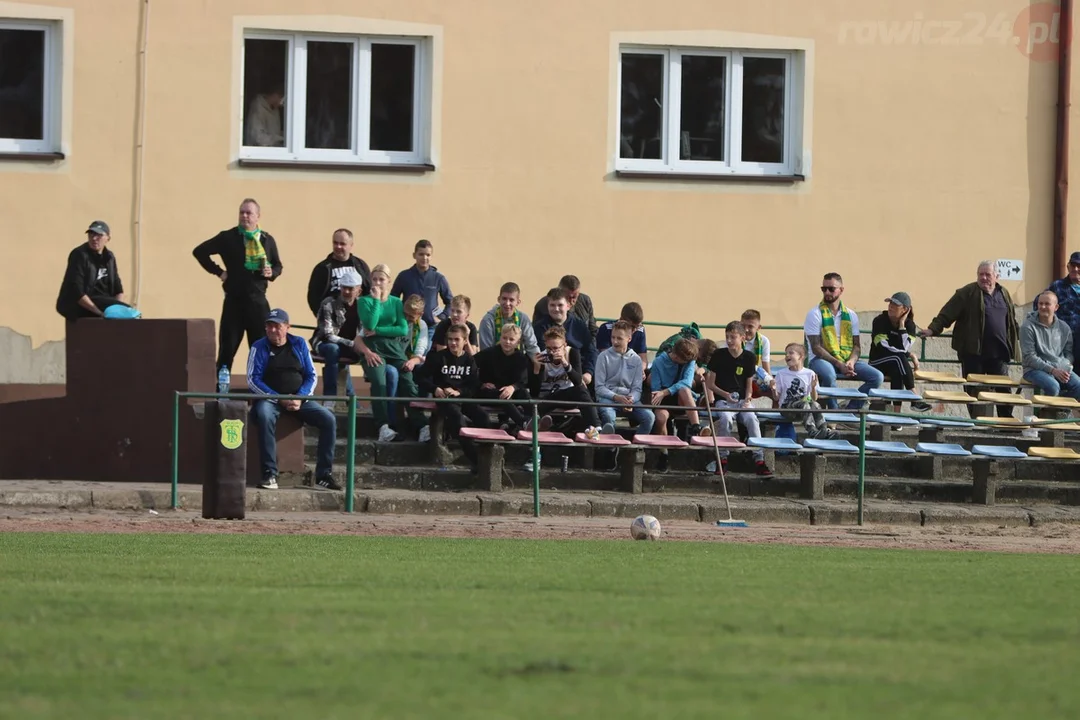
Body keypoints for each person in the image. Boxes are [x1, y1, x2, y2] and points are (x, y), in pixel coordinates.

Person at [193, 198, 283, 388]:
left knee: (260, 348)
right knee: (227, 348)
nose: (244, 216)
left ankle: (261, 389)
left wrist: (271, 273)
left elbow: (277, 265)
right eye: (241, 212)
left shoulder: (266, 239)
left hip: (258, 302)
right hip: (234, 301)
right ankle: (221, 390)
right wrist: (219, 272)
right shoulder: (228, 237)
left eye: (248, 213)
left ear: (258, 216)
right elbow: (199, 251)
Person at [247, 309, 340, 491]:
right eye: (269, 326)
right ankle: (269, 474)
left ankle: (323, 475)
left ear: (287, 327)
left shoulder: (299, 343)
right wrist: (278, 398)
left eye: (277, 326)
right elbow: (253, 379)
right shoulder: (258, 346)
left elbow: (311, 375)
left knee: (328, 419)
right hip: (270, 400)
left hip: (300, 399)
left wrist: (300, 397)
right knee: (264, 416)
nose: (273, 330)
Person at [922, 261, 1021, 418]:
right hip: (973, 352)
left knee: (1003, 390)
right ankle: (978, 423)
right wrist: (933, 329)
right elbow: (947, 313)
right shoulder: (966, 292)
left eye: (987, 274)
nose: (983, 277)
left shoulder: (1005, 294)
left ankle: (1006, 423)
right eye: (980, 274)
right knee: (974, 389)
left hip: (999, 353)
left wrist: (1018, 339)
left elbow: (1011, 321)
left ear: (996, 276)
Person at [357, 263, 426, 443]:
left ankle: (421, 425)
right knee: (379, 382)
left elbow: (402, 329)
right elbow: (369, 325)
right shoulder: (364, 301)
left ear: (389, 281)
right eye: (375, 279)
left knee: (407, 379)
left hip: (394, 350)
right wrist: (377, 301)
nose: (378, 282)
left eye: (382, 279)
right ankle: (383, 426)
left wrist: (378, 330)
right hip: (373, 349)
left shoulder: (396, 301)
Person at [804, 273, 883, 409]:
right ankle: (835, 413)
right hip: (819, 359)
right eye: (824, 289)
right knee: (829, 374)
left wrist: (851, 362)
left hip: (846, 358)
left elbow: (857, 346)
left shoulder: (851, 315)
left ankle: (850, 408)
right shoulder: (815, 314)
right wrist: (839, 364)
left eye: (831, 289)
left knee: (877, 377)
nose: (827, 292)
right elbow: (816, 347)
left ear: (841, 290)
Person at [705, 321, 772, 477]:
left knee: (752, 420)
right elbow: (710, 384)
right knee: (726, 419)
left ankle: (759, 460)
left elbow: (749, 384)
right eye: (727, 337)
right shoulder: (719, 355)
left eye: (733, 337)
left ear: (742, 338)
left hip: (742, 401)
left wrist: (748, 399)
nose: (729, 340)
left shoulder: (749, 357)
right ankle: (722, 459)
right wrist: (725, 395)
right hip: (724, 400)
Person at [417, 323, 487, 471]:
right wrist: (435, 389)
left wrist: (460, 392)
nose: (453, 343)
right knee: (458, 420)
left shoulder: (469, 359)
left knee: (484, 417)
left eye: (456, 339)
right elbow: (419, 377)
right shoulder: (438, 358)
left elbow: (474, 385)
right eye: (450, 339)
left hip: (463, 397)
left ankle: (487, 455)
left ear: (464, 340)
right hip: (445, 399)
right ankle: (476, 462)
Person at [311, 269, 382, 404]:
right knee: (333, 350)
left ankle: (359, 401)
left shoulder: (362, 305)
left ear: (359, 291)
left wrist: (363, 348)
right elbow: (328, 334)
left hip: (352, 344)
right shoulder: (328, 303)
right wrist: (352, 344)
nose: (346, 292)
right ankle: (330, 398)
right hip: (324, 343)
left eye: (350, 289)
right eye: (344, 288)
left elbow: (365, 330)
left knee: (372, 354)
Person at [869, 292, 933, 413]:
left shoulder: (909, 325)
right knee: (898, 359)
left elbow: (904, 347)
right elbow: (884, 346)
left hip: (895, 362)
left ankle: (896, 416)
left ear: (905, 310)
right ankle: (915, 398)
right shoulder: (879, 321)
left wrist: (902, 325)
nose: (891, 306)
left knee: (897, 370)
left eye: (895, 304)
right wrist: (909, 355)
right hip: (877, 362)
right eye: (890, 303)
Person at [531, 326, 601, 434]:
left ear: (564, 345)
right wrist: (536, 369)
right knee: (536, 404)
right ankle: (533, 424)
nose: (552, 352)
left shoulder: (572, 353)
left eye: (556, 348)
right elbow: (534, 392)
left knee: (581, 390)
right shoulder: (542, 357)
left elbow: (578, 382)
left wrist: (565, 363)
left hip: (566, 396)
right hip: (547, 398)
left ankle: (596, 428)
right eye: (549, 348)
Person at [55, 221, 129, 321]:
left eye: (99, 235)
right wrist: (100, 313)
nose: (94, 238)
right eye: (91, 234)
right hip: (80, 304)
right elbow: (77, 291)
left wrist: (117, 310)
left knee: (130, 313)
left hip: (103, 302)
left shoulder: (109, 257)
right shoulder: (80, 255)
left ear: (108, 238)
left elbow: (118, 290)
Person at [595, 321, 655, 436]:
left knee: (649, 417)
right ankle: (610, 447)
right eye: (613, 337)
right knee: (608, 414)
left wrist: (630, 400)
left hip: (629, 399)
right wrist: (617, 397)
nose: (615, 341)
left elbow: (637, 388)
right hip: (608, 397)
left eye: (619, 338)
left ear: (629, 339)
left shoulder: (636, 359)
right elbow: (599, 387)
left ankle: (637, 446)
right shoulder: (603, 357)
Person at [389, 239, 453, 341]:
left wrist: (442, 317)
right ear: (414, 255)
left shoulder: (438, 278)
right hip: (407, 326)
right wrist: (400, 317)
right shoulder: (404, 276)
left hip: (430, 327)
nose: (424, 258)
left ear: (431, 256)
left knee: (425, 354)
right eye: (421, 254)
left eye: (428, 255)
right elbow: (393, 299)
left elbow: (450, 301)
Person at [1020, 291, 1080, 399]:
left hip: (1058, 368)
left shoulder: (1064, 327)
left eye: (1047, 304)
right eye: (1040, 303)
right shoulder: (1027, 327)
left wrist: (1065, 366)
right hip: (1033, 370)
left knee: (1079, 386)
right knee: (1053, 387)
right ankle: (1048, 411)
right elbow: (1029, 357)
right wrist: (1053, 370)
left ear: (1056, 307)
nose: (1043, 307)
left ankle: (1059, 410)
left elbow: (1068, 353)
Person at [772, 342, 837, 440]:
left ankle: (823, 430)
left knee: (815, 404)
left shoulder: (809, 373)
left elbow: (814, 398)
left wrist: (813, 387)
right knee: (805, 404)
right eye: (786, 354)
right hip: (787, 409)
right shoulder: (781, 374)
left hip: (804, 409)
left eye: (791, 353)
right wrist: (773, 389)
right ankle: (812, 431)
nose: (787, 356)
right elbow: (776, 397)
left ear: (801, 357)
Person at [532, 288, 597, 385]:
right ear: (547, 306)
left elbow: (590, 350)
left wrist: (589, 372)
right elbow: (541, 353)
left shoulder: (580, 325)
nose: (556, 309)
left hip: (579, 371)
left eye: (560, 305)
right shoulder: (539, 327)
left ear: (568, 305)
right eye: (552, 305)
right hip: (551, 375)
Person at [476, 324, 532, 432]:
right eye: (504, 338)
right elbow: (471, 366)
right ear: (500, 338)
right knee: (502, 395)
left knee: (524, 393)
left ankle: (533, 419)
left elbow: (522, 381)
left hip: (508, 390)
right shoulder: (488, 353)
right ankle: (523, 422)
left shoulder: (521, 358)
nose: (507, 342)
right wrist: (481, 383)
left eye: (511, 339)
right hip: (489, 392)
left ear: (518, 342)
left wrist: (513, 387)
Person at [305, 228, 371, 316]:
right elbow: (313, 297)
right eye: (335, 243)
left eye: (342, 244)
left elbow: (369, 291)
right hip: (331, 317)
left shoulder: (360, 265)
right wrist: (322, 316)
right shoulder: (322, 268)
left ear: (351, 245)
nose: (338, 246)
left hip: (357, 317)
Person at [1034, 251, 1080, 373]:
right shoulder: (1057, 286)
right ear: (1068, 267)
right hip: (1061, 342)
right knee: (1062, 377)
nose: (1075, 269)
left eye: (1079, 266)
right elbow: (1038, 304)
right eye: (1073, 265)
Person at [649, 337, 705, 438]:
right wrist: (661, 394)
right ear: (676, 357)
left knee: (684, 390)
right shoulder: (658, 362)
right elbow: (655, 389)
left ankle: (696, 427)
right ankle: (663, 448)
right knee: (661, 418)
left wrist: (665, 392)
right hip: (663, 398)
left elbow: (687, 382)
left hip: (680, 397)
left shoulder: (689, 361)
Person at [478, 282, 541, 360]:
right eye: (504, 299)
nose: (507, 303)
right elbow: (486, 350)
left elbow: (531, 346)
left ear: (518, 302)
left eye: (511, 300)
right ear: (499, 299)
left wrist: (539, 362)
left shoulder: (523, 319)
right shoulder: (488, 320)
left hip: (517, 361)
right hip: (493, 363)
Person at [532, 275, 598, 338]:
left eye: (575, 297)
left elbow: (593, 329)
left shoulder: (585, 300)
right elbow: (538, 333)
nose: (571, 300)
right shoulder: (543, 305)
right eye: (568, 297)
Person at [596, 302, 648, 374]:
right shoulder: (606, 329)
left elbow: (643, 358)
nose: (635, 330)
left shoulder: (640, 330)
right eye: (632, 326)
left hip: (632, 368)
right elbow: (607, 357)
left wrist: (640, 369)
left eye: (638, 326)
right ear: (621, 320)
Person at [742, 309, 773, 398]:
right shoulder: (735, 339)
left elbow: (765, 365)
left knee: (774, 388)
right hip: (737, 374)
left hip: (754, 373)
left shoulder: (763, 341)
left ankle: (775, 410)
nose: (746, 330)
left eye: (750, 326)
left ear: (758, 327)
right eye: (743, 326)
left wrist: (771, 382)